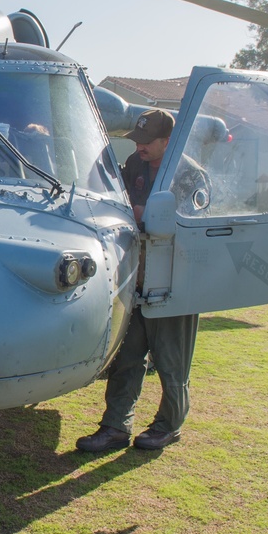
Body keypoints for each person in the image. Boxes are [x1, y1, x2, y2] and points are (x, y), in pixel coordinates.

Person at [76, 109, 206, 452]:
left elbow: (191, 226)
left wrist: (139, 213)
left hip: (173, 284)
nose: (141, 147)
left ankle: (168, 425)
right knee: (127, 360)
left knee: (171, 364)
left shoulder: (189, 175)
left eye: (148, 142)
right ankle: (116, 426)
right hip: (137, 281)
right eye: (138, 140)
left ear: (168, 141)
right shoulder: (134, 163)